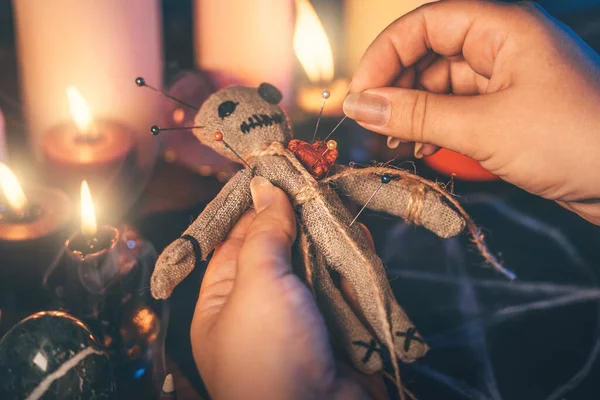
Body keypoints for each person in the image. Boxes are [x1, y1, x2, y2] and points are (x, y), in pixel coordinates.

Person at [190, 1, 600, 399]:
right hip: (303, 257)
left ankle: (397, 331)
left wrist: (420, 205)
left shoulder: (309, 157)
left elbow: (363, 186)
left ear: (271, 99)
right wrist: (186, 248)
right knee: (331, 292)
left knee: (364, 270)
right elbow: (214, 217)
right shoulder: (249, 179)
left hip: (337, 238)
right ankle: (359, 344)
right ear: (213, 137)